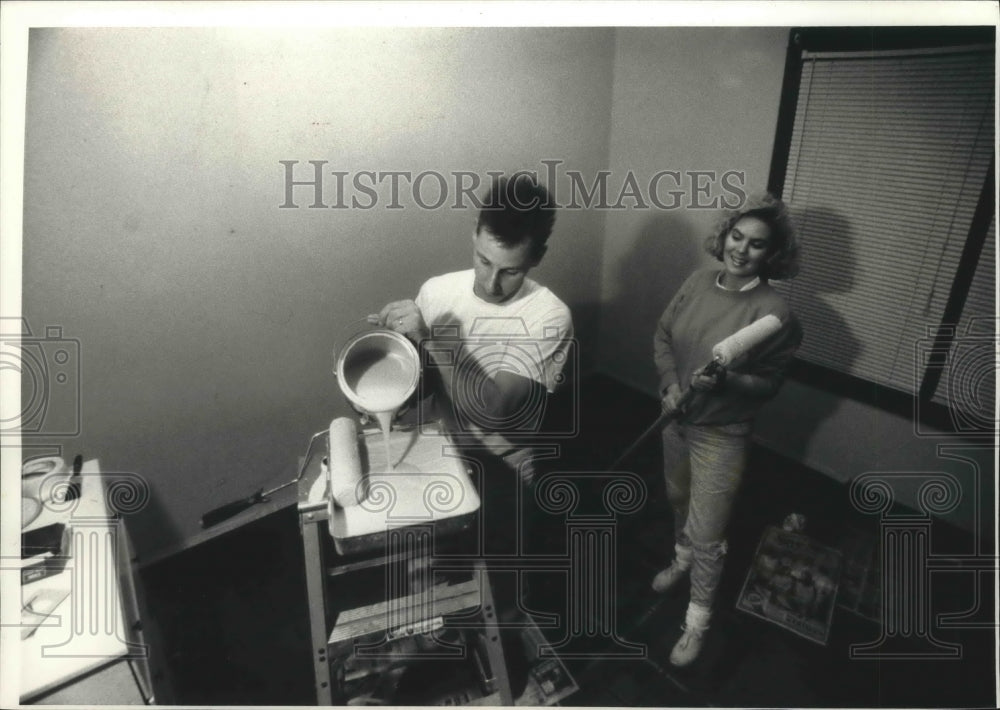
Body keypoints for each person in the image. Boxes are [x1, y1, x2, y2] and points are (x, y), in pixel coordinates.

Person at [369, 173, 573, 614]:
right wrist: (387, 365)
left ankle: (506, 645)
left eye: (510, 270)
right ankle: (440, 639)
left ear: (537, 257)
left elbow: (493, 410)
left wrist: (431, 341)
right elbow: (424, 386)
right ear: (475, 236)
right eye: (483, 260)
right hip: (443, 456)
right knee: (436, 568)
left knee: (500, 578)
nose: (491, 282)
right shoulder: (437, 290)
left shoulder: (549, 316)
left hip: (506, 467)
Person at [651, 192, 802, 667]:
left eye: (757, 244)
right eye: (737, 236)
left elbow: (769, 385)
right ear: (725, 235)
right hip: (676, 417)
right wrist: (671, 385)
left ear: (772, 255)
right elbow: (662, 338)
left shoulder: (775, 313)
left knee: (709, 531)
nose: (742, 249)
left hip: (723, 433)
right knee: (678, 500)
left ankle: (697, 622)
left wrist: (729, 379)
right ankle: (681, 559)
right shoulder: (696, 282)